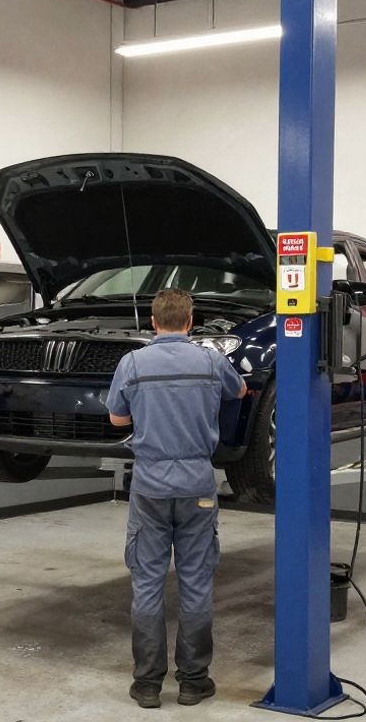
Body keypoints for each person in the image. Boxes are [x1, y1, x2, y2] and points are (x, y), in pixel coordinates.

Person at [106, 288, 247, 709]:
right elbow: (240, 392)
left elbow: (117, 418)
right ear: (190, 321)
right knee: (196, 584)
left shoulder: (132, 362)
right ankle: (193, 682)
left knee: (147, 585)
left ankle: (148, 685)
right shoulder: (210, 360)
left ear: (153, 322)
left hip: (149, 485)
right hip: (197, 485)